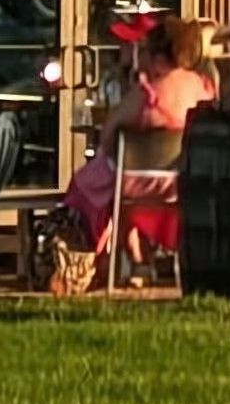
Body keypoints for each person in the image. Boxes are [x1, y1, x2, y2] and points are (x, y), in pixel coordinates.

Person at [57, 15, 217, 281]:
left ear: (157, 56)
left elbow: (108, 137)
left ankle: (100, 259)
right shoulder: (203, 87)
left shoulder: (147, 93)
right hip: (182, 182)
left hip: (132, 182)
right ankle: (139, 261)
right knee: (124, 192)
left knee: (101, 184)